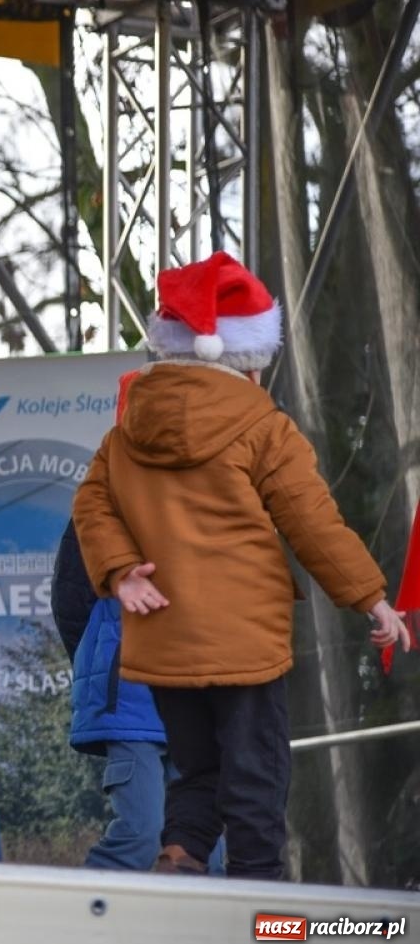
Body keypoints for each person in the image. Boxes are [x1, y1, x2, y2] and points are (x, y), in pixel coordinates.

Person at [72, 251, 411, 880]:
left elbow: (91, 505)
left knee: (199, 768)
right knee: (257, 770)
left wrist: (120, 571)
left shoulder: (124, 433)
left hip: (164, 633)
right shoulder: (264, 427)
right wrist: (370, 596)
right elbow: (313, 522)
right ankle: (262, 908)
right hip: (243, 637)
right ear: (247, 356)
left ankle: (180, 857)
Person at [52, 520, 175, 871]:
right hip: (131, 703)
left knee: (203, 850)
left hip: (198, 698)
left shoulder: (210, 497)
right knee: (140, 835)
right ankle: (82, 919)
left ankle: (192, 927)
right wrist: (109, 659)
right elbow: (71, 601)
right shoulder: (103, 500)